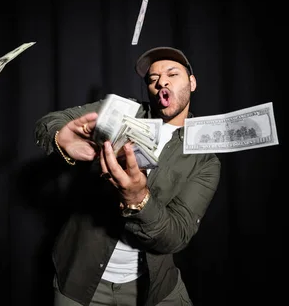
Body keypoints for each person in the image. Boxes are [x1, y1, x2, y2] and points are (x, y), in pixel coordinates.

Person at [34, 46, 221, 306]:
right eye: (152, 79)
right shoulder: (124, 111)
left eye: (172, 74)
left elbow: (176, 235)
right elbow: (50, 121)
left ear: (192, 82)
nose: (161, 82)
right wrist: (60, 136)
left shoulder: (205, 159)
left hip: (153, 287)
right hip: (79, 279)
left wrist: (138, 199)